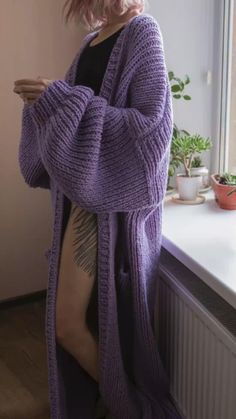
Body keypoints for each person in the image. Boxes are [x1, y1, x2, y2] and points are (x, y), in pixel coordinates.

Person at [15, 1, 185, 418]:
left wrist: (63, 99)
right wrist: (47, 102)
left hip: (104, 212)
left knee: (68, 325)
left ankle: (131, 408)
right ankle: (113, 401)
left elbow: (150, 136)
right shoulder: (93, 41)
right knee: (75, 323)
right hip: (81, 203)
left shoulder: (143, 33)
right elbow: (73, 118)